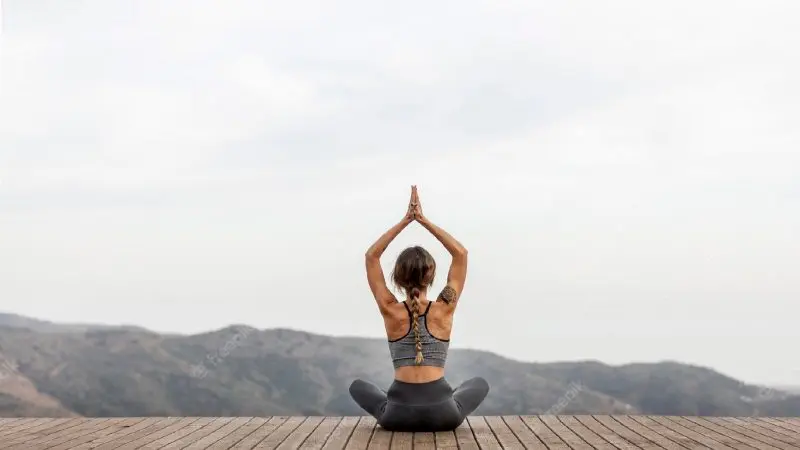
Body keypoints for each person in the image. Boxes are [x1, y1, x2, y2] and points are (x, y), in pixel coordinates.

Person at [349, 185, 489, 432]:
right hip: (443, 415)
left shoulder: (389, 309)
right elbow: (461, 254)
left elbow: (371, 256)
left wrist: (405, 221)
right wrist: (422, 220)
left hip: (397, 416)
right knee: (478, 383)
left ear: (398, 278)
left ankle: (395, 398)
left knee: (358, 386)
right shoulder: (444, 308)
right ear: (431, 275)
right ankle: (443, 395)